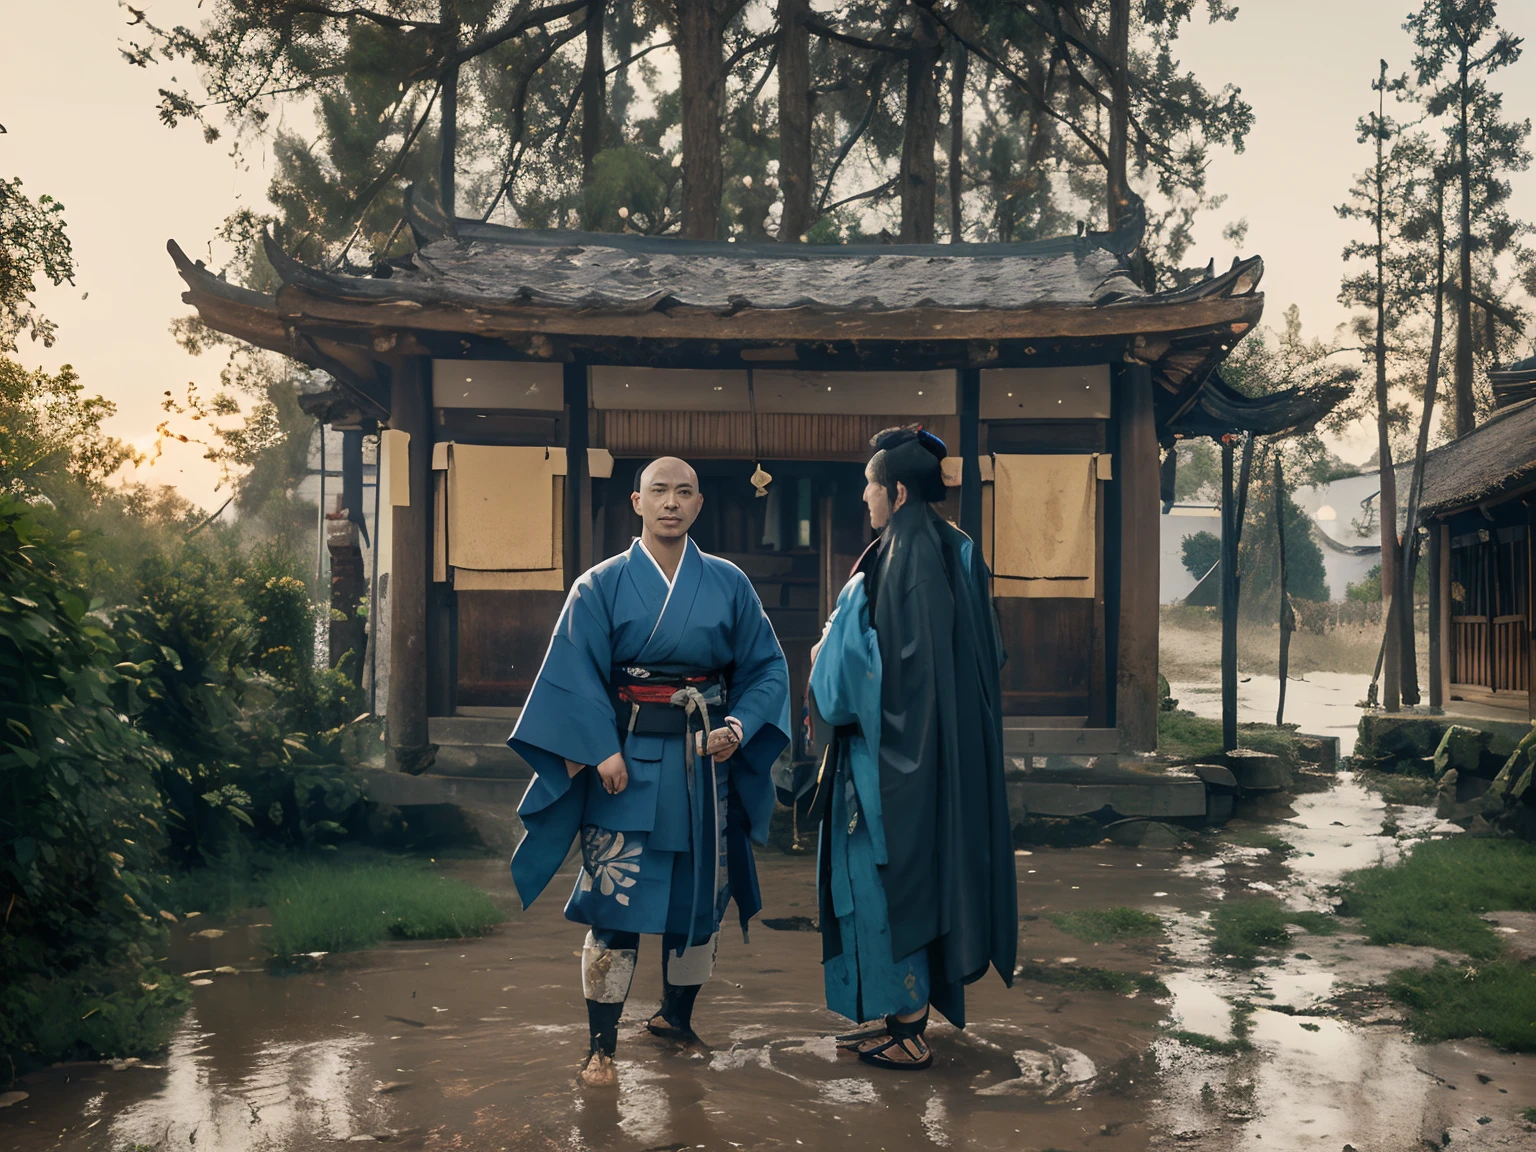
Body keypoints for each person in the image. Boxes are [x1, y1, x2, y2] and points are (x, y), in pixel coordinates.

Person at [508, 456, 791, 1087]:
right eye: (658, 491)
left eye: (684, 492)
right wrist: (600, 747)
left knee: (698, 899)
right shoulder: (599, 585)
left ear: (698, 506)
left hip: (702, 765)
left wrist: (738, 728)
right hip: (626, 765)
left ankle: (676, 1019)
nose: (671, 502)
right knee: (616, 900)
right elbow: (573, 669)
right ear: (636, 502)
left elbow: (767, 668)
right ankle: (600, 1046)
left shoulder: (728, 583)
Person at [808, 426, 1016, 1070]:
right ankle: (907, 1017)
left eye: (869, 487)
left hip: (883, 762)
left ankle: (907, 1026)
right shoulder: (960, 551)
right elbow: (991, 655)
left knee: (880, 885)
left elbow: (841, 688)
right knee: (931, 873)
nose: (864, 500)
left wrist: (821, 655)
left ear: (896, 491)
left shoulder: (886, 560)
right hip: (947, 756)